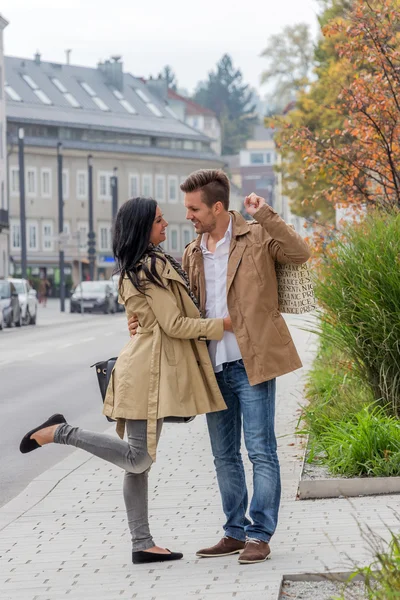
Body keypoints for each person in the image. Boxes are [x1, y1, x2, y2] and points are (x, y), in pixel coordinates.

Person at [19, 197, 230, 565]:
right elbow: (174, 325)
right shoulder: (146, 269)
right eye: (159, 221)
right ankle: (61, 431)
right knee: (137, 459)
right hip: (145, 374)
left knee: (140, 462)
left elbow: (155, 315)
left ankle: (142, 543)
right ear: (143, 227)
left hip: (154, 370)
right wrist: (223, 326)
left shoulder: (156, 263)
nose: (167, 225)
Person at [129, 170, 311, 564]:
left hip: (253, 360)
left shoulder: (256, 236)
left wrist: (266, 215)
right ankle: (234, 531)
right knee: (223, 455)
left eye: (194, 209)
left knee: (261, 450)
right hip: (212, 366)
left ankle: (259, 535)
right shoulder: (192, 252)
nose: (188, 216)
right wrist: (139, 320)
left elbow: (299, 253)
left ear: (216, 206)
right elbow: (179, 306)